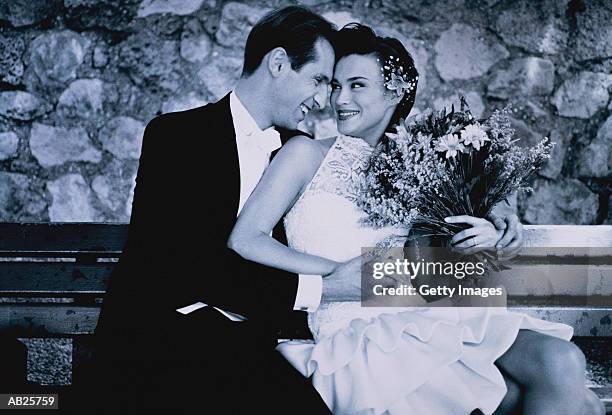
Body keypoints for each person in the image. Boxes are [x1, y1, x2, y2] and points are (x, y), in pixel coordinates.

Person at [228, 24, 605, 415]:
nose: (340, 99)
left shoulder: (424, 158)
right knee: (560, 400)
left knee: (562, 360)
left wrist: (500, 216)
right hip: (360, 337)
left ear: (395, 91)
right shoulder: (305, 153)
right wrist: (336, 274)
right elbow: (246, 239)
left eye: (357, 85)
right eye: (336, 86)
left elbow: (483, 186)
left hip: (429, 313)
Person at [91, 6, 339, 414]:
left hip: (253, 349)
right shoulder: (175, 138)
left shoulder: (300, 153)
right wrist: (319, 288)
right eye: (317, 80)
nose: (323, 100)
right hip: (159, 347)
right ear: (278, 63)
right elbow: (188, 266)